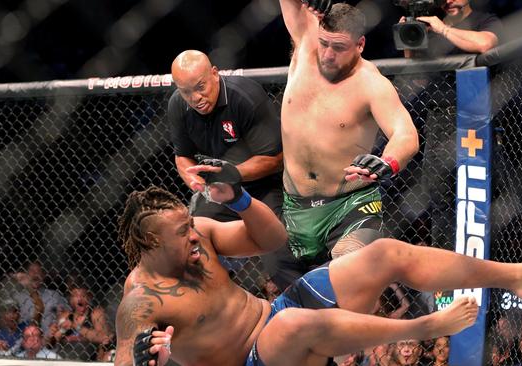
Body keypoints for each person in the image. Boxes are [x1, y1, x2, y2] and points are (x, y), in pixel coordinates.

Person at [112, 161, 522, 366]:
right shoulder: (141, 302)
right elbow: (126, 362)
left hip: (278, 313)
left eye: (191, 226)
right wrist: (155, 358)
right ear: (151, 243)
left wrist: (240, 198)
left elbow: (272, 238)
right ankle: (424, 328)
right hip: (257, 358)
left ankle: (517, 275)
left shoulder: (202, 235)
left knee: (384, 253)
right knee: (291, 328)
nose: (194, 233)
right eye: (181, 233)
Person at [277, 0, 420, 275]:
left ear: (360, 44)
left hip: (350, 205)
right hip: (294, 206)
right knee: (298, 305)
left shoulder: (371, 83)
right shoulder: (306, 42)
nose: (328, 54)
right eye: (325, 44)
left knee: (350, 274)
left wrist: (388, 162)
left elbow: (406, 134)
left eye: (339, 47)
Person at [398, 0, 503, 250]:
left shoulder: (483, 20)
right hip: (439, 120)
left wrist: (443, 30)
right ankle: (444, 271)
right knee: (440, 198)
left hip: (477, 118)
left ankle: (483, 264)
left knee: (480, 191)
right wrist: (411, 31)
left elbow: (486, 43)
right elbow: (414, 64)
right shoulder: (431, 27)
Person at [168, 49, 283, 221]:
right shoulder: (177, 104)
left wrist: (232, 173)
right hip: (218, 190)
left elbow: (275, 159)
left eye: (200, 87)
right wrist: (201, 186)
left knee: (275, 240)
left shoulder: (245, 97)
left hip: (263, 186)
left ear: (214, 73)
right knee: (196, 229)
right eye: (186, 92)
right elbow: (183, 157)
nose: (195, 98)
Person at [11, 260, 69, 335]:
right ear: (26, 274)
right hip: (25, 338)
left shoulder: (53, 295)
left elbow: (68, 313)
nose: (35, 273)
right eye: (32, 270)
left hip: (48, 338)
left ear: (43, 275)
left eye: (38, 271)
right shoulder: (18, 296)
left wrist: (60, 319)